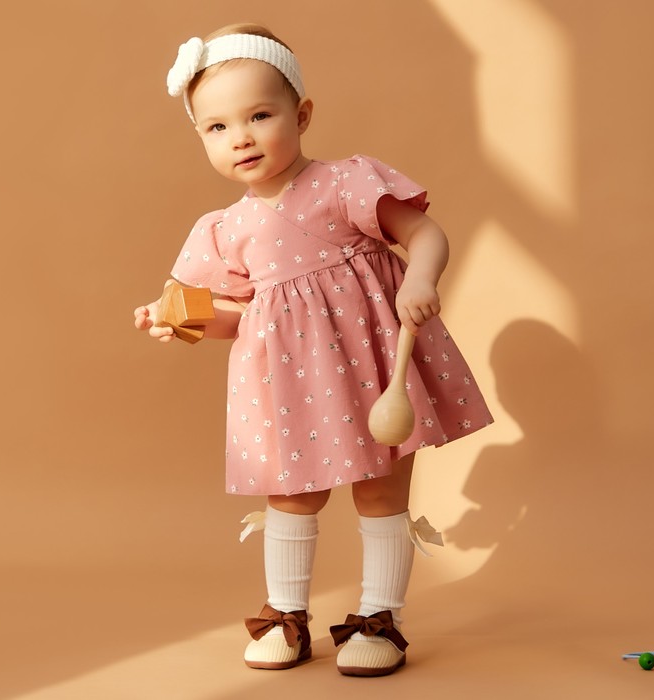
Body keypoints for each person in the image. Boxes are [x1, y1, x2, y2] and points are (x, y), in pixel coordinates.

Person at [134, 23, 493, 677]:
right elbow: (234, 318)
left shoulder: (344, 183)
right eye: (217, 127)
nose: (240, 137)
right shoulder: (224, 229)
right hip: (290, 384)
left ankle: (379, 617)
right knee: (292, 497)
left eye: (259, 116)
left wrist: (420, 277)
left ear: (300, 115)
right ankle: (286, 615)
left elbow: (424, 232)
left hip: (373, 367)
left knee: (380, 491)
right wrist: (181, 322)